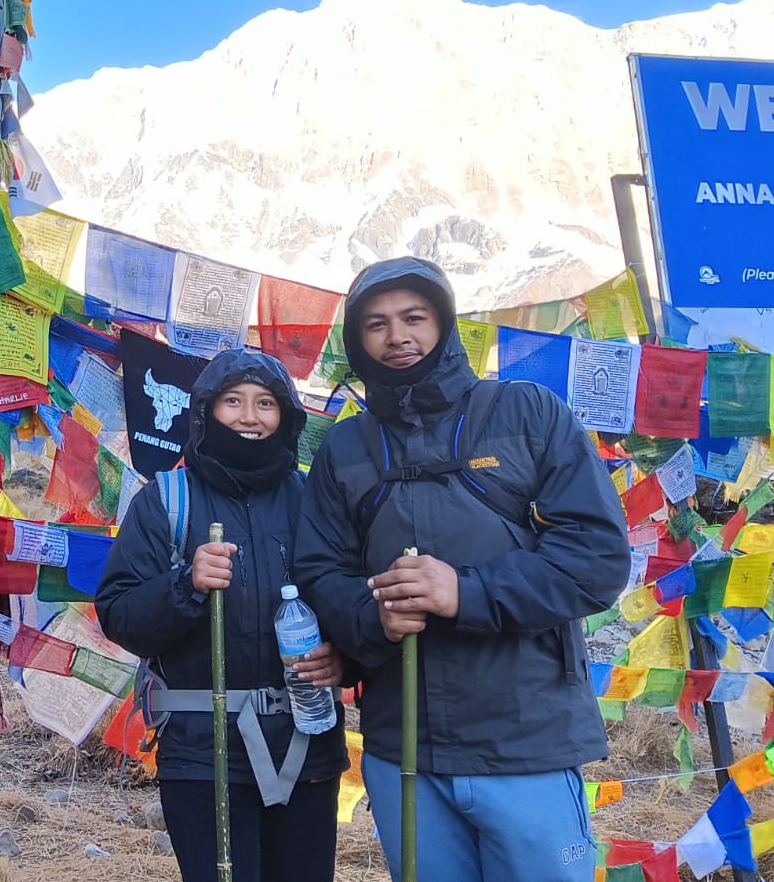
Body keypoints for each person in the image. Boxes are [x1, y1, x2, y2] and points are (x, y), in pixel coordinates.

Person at [296, 258, 630, 882]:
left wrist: (465, 592)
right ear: (357, 341)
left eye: (414, 318)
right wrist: (374, 619)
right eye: (376, 324)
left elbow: (597, 558)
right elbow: (320, 571)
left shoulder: (529, 414)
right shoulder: (346, 448)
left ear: (445, 325)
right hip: (405, 753)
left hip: (525, 743)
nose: (397, 336)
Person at [97, 347, 347, 882]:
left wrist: (345, 658)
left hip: (307, 742)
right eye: (233, 401)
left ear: (287, 417)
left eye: (265, 403)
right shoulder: (166, 501)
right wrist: (184, 585)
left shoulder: (315, 501)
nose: (249, 417)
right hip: (202, 752)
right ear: (205, 411)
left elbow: (347, 599)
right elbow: (118, 616)